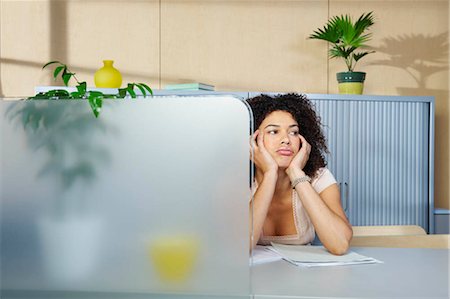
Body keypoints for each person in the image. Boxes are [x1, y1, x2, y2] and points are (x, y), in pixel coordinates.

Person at [247, 93, 352, 255]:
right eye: (273, 132)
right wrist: (270, 174)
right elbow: (239, 248)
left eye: (294, 132)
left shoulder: (319, 178)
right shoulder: (237, 180)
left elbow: (340, 245)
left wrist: (297, 174)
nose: (286, 140)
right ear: (252, 139)